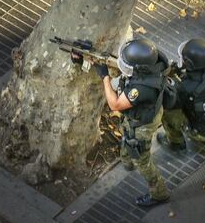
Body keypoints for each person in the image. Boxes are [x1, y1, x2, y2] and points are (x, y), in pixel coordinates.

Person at [72, 38, 172, 206]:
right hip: (142, 114)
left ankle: (159, 192)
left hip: (142, 124)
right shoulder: (154, 64)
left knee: (142, 159)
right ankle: (127, 160)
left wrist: (104, 76)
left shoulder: (140, 89)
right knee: (128, 140)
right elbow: (123, 72)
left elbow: (115, 105)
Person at [157, 38, 205, 163]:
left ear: (190, 64)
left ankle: (176, 144)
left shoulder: (185, 87)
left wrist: (172, 81)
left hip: (202, 131)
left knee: (167, 113)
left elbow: (172, 103)